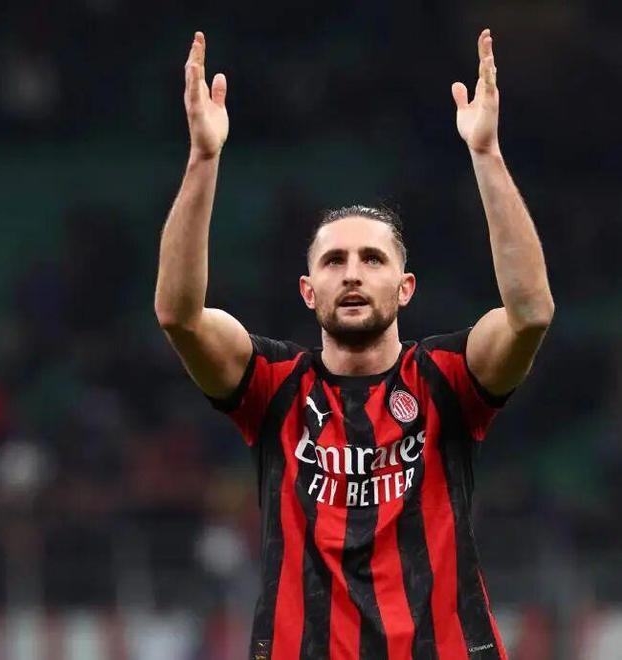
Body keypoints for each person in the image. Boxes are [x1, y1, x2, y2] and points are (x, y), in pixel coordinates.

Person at [154, 28, 554, 660]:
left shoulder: (447, 378)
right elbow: (178, 315)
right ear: (308, 290)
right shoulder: (273, 386)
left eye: (372, 259)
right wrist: (204, 158)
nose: (352, 274)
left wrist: (486, 154)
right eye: (334, 261)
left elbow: (530, 315)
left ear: (405, 287)